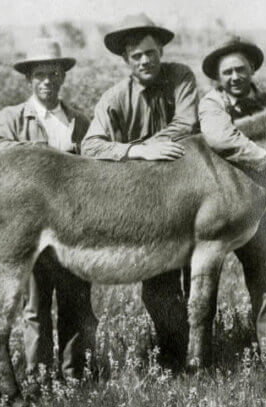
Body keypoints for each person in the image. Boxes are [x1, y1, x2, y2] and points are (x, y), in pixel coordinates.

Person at [81, 13, 198, 371]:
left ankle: (198, 354)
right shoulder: (115, 98)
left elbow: (187, 123)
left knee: (197, 281)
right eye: (137, 57)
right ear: (126, 61)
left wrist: (153, 144)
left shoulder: (181, 77)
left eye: (151, 53)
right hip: (145, 205)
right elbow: (91, 146)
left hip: (189, 194)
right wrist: (137, 151)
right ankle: (175, 360)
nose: (146, 61)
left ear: (161, 51)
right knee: (159, 286)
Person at [0, 38, 96, 383]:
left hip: (74, 229)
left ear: (63, 77)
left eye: (53, 73)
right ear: (29, 80)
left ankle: (74, 375)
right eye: (39, 74)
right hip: (30, 229)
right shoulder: (12, 118)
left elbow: (97, 164)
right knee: (35, 306)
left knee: (76, 304)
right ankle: (39, 378)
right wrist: (41, 151)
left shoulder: (80, 121)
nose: (47, 81)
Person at [198, 36, 266, 367]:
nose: (235, 77)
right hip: (222, 209)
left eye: (241, 70)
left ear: (252, 70)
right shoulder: (212, 106)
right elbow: (221, 142)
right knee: (205, 283)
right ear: (218, 77)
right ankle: (202, 361)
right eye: (228, 72)